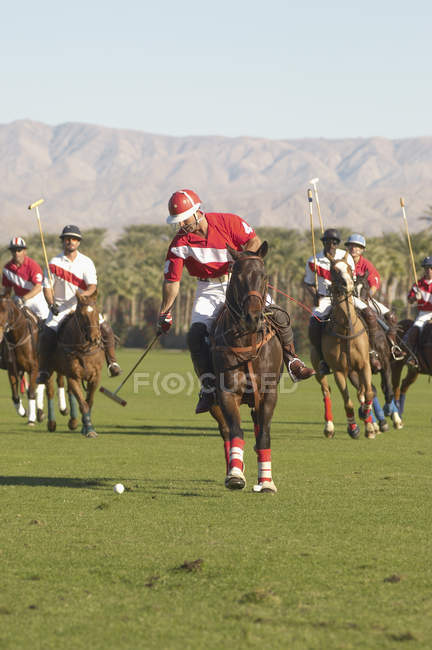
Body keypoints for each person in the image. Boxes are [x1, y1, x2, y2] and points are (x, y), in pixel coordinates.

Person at [158, 189, 314, 414]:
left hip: (239, 281)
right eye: (177, 221)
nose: (181, 224)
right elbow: (172, 281)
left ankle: (293, 361)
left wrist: (240, 264)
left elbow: (254, 241)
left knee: (278, 315)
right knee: (194, 336)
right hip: (208, 287)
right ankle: (209, 386)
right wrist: (165, 312)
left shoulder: (227, 221)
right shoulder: (179, 243)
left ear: (196, 212)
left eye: (184, 218)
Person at [36, 225, 121, 383]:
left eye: (74, 238)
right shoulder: (53, 262)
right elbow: (47, 288)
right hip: (60, 309)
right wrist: (50, 304)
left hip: (83, 307)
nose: (70, 241)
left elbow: (92, 287)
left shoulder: (86, 262)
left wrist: (83, 297)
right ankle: (44, 370)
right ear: (63, 241)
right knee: (47, 336)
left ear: (78, 242)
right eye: (67, 238)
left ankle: (112, 363)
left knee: (107, 330)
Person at [304, 228, 381, 374]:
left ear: (338, 243)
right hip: (325, 298)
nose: (331, 245)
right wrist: (314, 295)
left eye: (334, 242)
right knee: (314, 323)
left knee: (370, 315)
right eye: (327, 242)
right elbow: (308, 283)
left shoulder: (345, 257)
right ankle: (322, 360)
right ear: (323, 243)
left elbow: (351, 279)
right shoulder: (313, 261)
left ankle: (371, 352)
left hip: (347, 296)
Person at [345, 233, 401, 356]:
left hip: (364, 299)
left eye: (357, 246)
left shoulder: (366, 265)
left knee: (391, 317)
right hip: (346, 300)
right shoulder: (343, 262)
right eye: (351, 246)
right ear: (347, 248)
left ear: (362, 250)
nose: (354, 249)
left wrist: (367, 295)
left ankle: (393, 346)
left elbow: (374, 283)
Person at [2, 237, 49, 319]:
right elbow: (8, 290)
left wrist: (24, 299)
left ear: (24, 251)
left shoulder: (33, 265)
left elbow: (38, 288)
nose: (16, 253)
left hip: (36, 298)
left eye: (19, 250)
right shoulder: (7, 268)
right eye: (14, 250)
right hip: (18, 298)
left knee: (45, 319)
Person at [403, 256, 432, 364]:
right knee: (415, 329)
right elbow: (409, 300)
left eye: (431, 267)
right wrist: (415, 297)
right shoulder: (418, 284)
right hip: (424, 314)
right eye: (426, 267)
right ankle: (412, 356)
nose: (429, 270)